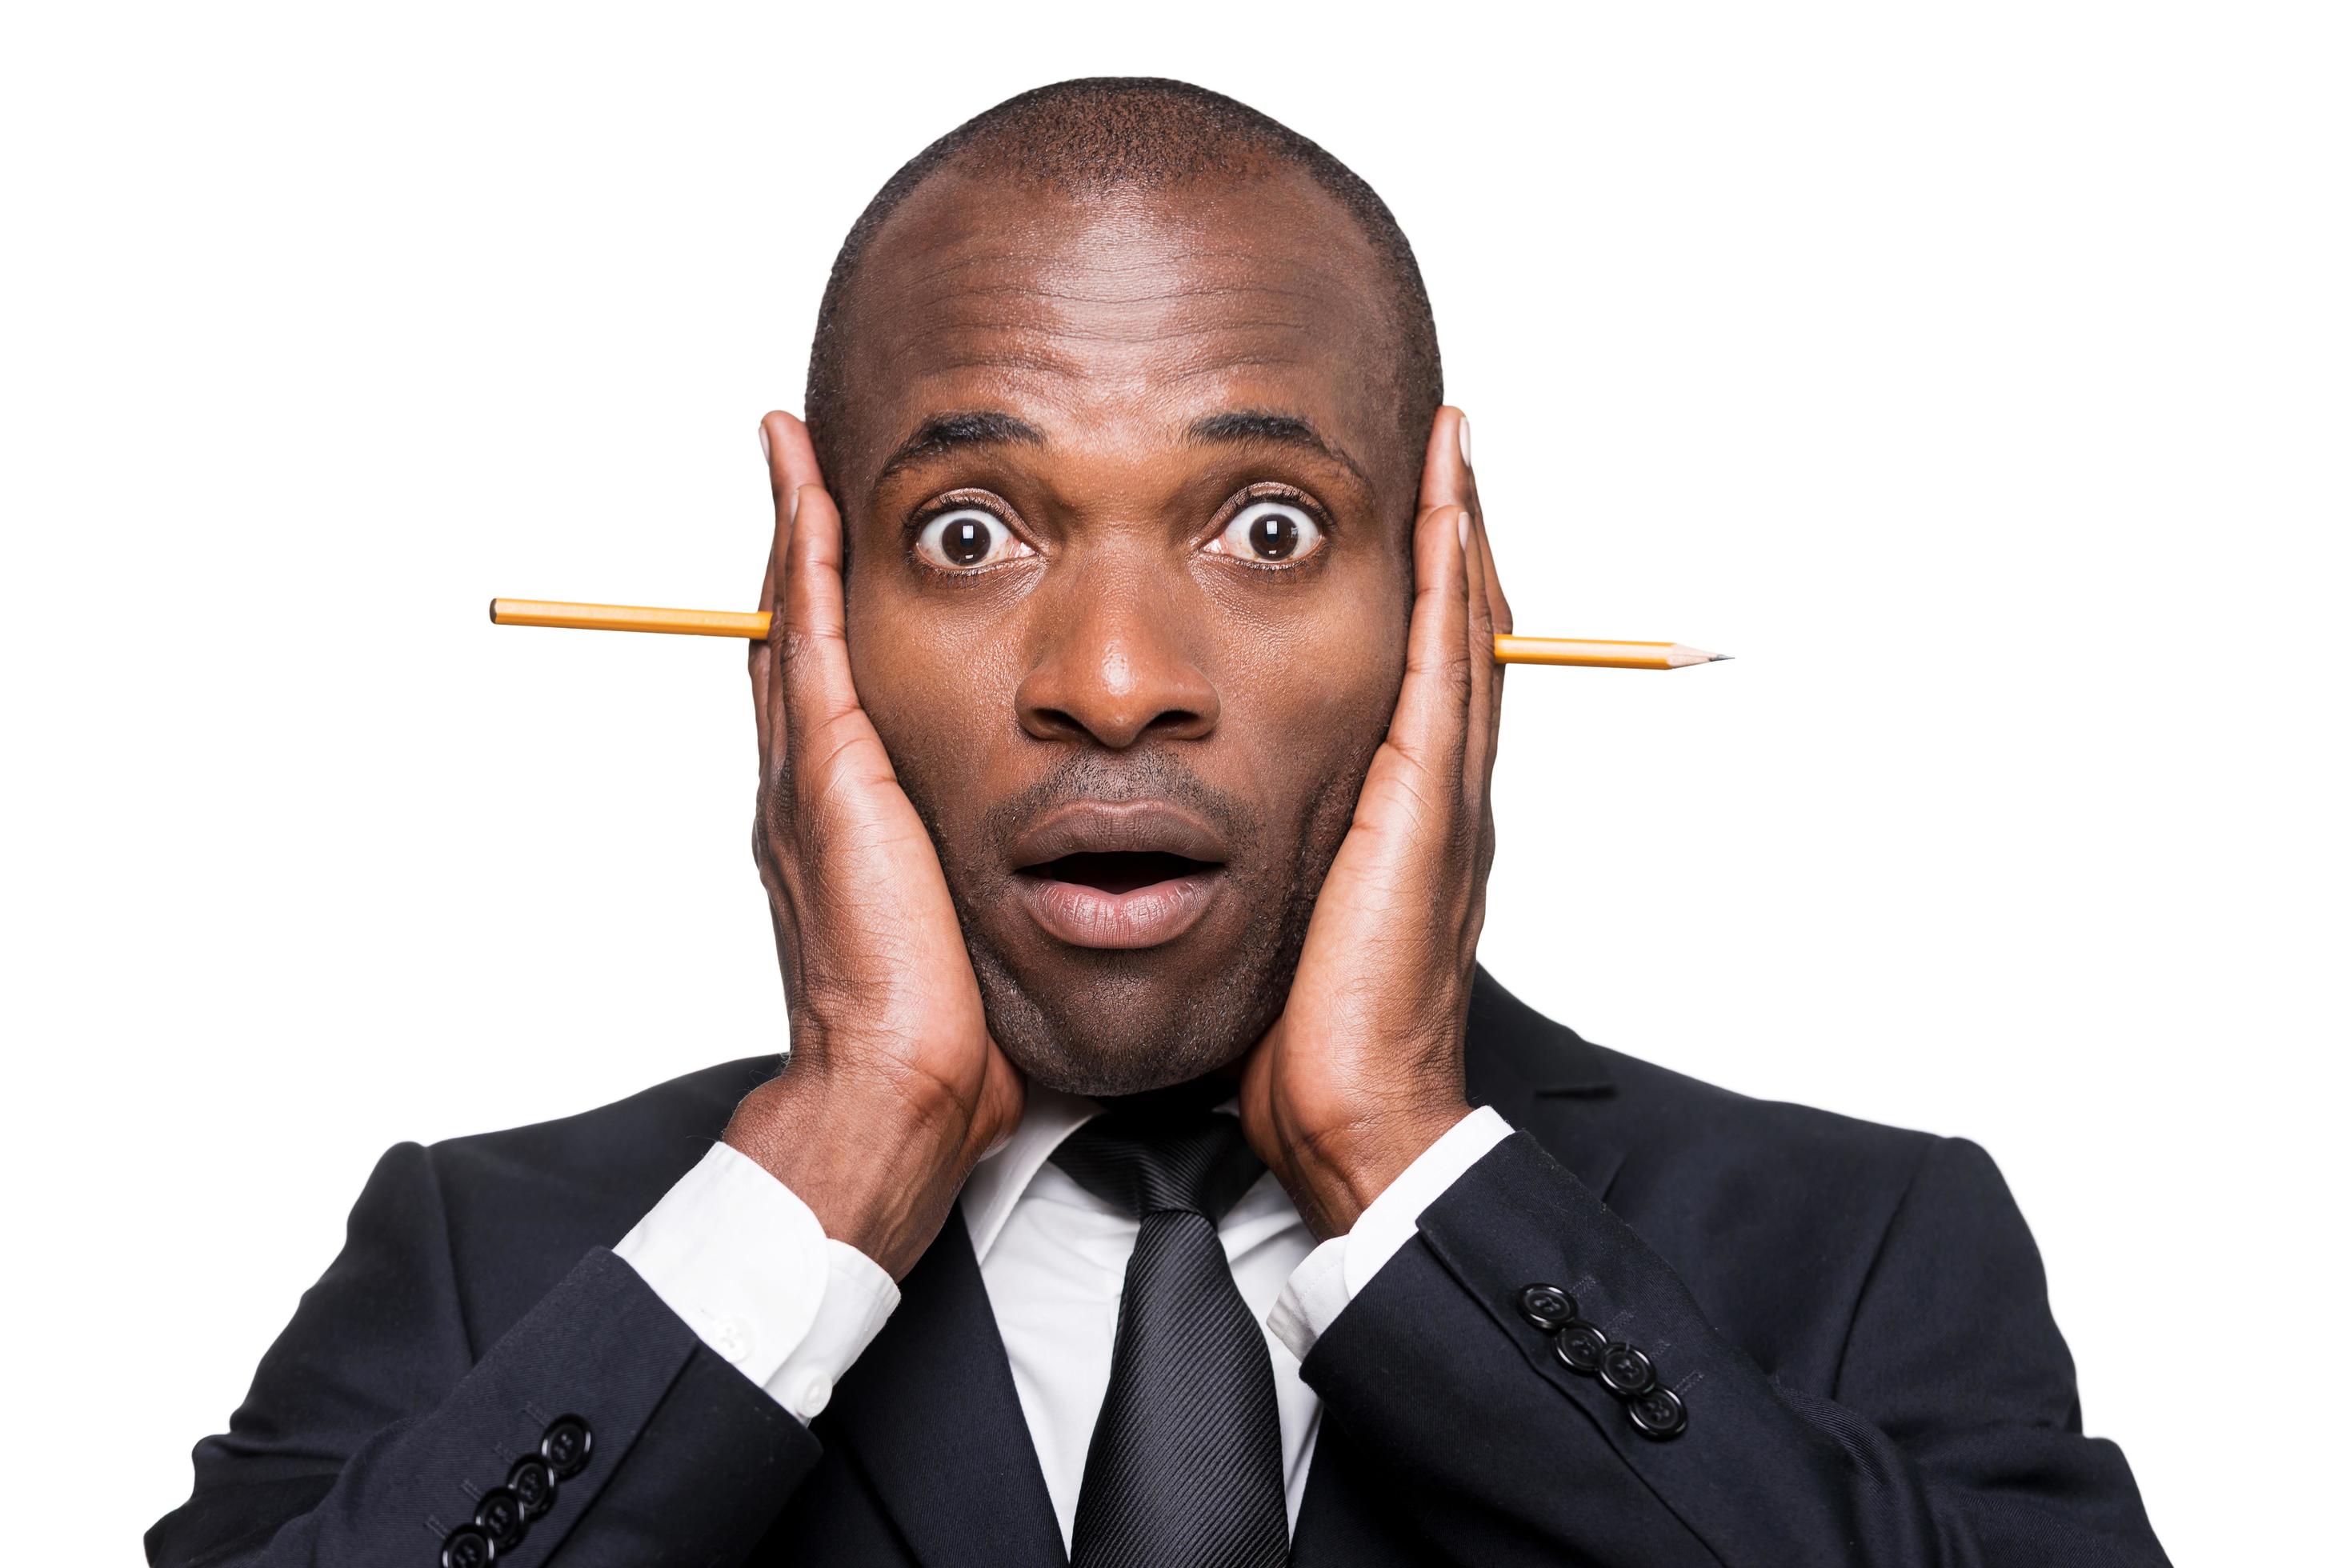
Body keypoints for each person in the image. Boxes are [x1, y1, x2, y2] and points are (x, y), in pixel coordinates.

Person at [146, 78, 2172, 1568]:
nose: (1112, 677)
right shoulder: (503, 1262)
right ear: (804, 619)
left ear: (1452, 618)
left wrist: (1397, 1164)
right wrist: (841, 1148)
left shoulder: (1860, 1247)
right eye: (968, 530)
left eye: (1267, 527)